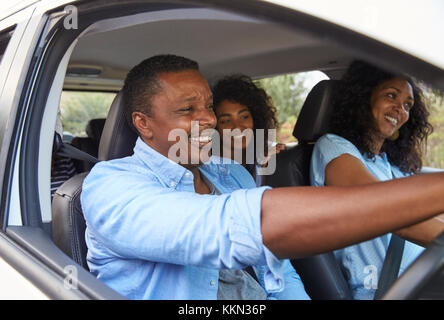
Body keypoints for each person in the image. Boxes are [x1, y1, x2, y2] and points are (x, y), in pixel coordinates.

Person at [81, 54, 444, 300]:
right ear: (143, 124)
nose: (207, 119)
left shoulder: (232, 174)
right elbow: (231, 227)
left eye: (207, 105)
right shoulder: (109, 186)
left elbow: (279, 274)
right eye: (187, 109)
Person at [310, 60, 444, 299]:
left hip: (426, 279)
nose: (400, 110)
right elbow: (391, 214)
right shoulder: (333, 147)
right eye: (391, 96)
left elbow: (427, 210)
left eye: (407, 105)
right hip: (387, 291)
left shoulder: (390, 164)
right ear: (364, 97)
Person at [212, 74, 285, 186]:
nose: (237, 127)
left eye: (244, 117)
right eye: (226, 120)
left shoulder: (260, 154)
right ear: (214, 126)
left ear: (255, 118)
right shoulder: (209, 166)